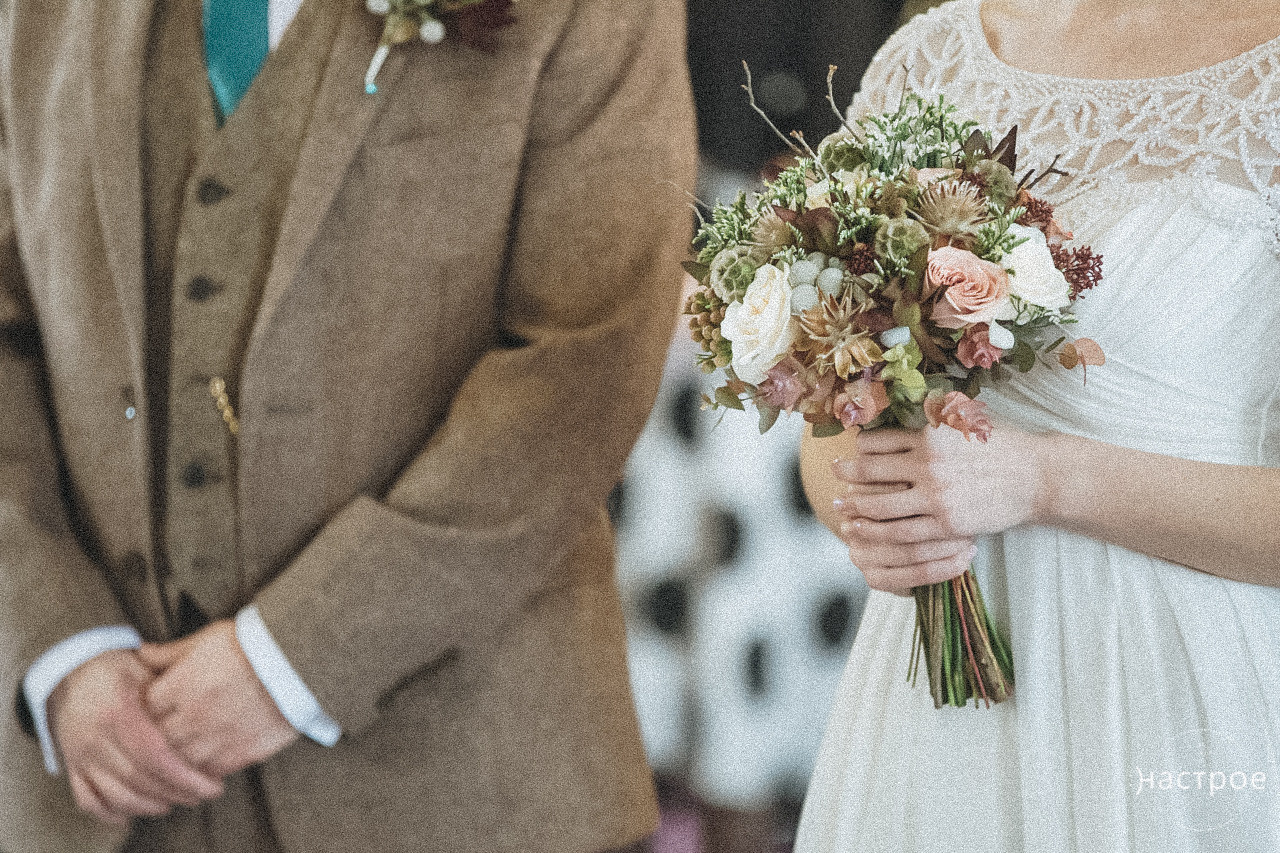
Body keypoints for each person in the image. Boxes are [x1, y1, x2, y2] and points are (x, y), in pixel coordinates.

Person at [0, 0, 697, 850]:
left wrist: (299, 652)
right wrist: (55, 640)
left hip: (459, 783)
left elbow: (583, 357)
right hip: (99, 780)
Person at [795, 0, 1280, 849]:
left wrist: (1045, 479)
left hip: (1182, 697)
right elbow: (828, 425)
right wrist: (873, 506)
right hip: (938, 710)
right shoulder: (931, 59)